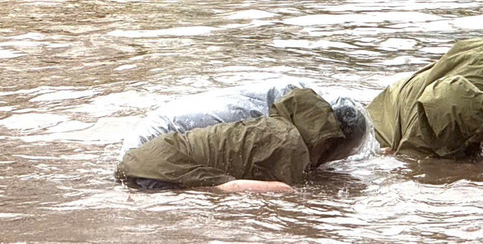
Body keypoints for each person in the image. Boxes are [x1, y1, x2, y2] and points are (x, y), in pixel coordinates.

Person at [115, 87, 350, 192]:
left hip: (140, 158)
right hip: (159, 167)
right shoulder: (289, 143)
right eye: (327, 144)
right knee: (281, 190)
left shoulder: (268, 123)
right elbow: (283, 186)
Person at [366, 37, 483, 158]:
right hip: (386, 116)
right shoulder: (418, 139)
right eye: (475, 135)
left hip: (448, 90)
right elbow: (413, 170)